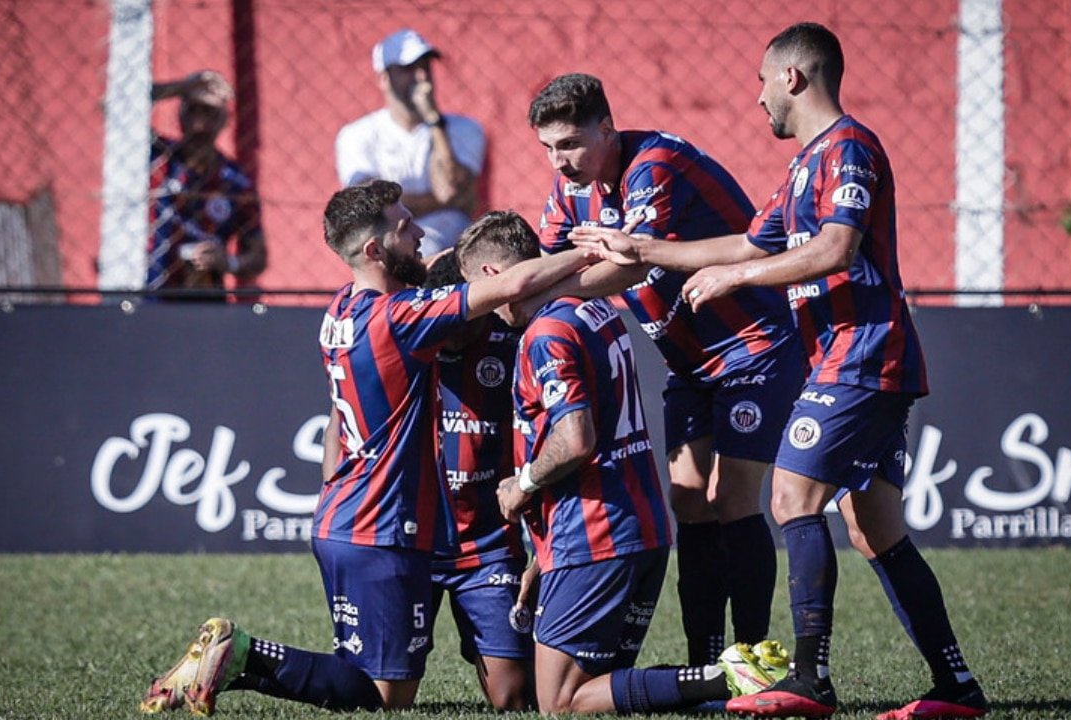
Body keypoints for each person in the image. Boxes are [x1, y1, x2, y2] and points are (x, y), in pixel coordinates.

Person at [572, 23, 989, 720]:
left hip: (861, 352)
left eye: (762, 80)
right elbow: (745, 238)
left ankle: (808, 680)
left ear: (792, 77)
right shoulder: (802, 168)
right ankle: (958, 687)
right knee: (875, 529)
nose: (757, 96)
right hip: (847, 357)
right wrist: (642, 246)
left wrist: (738, 276)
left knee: (791, 500)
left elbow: (835, 248)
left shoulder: (848, 147)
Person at [140, 181, 596, 715]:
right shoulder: (399, 319)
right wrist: (598, 249)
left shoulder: (343, 309)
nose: (420, 231)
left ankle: (236, 657)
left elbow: (338, 422)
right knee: (382, 696)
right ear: (376, 250)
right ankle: (240, 652)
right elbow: (508, 285)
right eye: (407, 226)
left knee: (386, 685)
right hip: (382, 526)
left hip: (345, 517)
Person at [456, 211, 789, 715]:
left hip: (593, 536)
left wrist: (520, 483)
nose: (481, 309)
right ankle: (724, 689)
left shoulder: (545, 333)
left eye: (471, 289)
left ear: (489, 278)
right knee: (605, 688)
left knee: (560, 703)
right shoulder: (594, 311)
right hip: (641, 531)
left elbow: (574, 440)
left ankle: (729, 678)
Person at [523, 73, 804, 666]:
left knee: (731, 498)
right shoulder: (567, 195)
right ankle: (706, 658)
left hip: (754, 347)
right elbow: (547, 268)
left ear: (607, 128)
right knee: (688, 501)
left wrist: (546, 294)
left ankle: (752, 656)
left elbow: (628, 266)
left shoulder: (657, 163)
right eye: (548, 147)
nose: (559, 161)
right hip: (690, 365)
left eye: (570, 143)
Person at [421, 253, 534, 710]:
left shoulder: (514, 341)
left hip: (489, 545)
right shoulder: (407, 333)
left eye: (460, 321)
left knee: (514, 698)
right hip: (413, 544)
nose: (449, 336)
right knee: (381, 696)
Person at [335, 28, 485, 257]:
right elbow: (369, 208)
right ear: (384, 78)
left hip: (451, 247)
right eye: (408, 69)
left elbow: (450, 188)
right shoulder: (357, 135)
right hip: (389, 243)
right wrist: (442, 201)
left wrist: (434, 121)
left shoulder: (463, 128)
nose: (422, 77)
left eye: (425, 67)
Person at [146, 70, 267, 300]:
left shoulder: (236, 182)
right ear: (179, 115)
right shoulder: (157, 157)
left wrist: (228, 262)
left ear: (224, 121)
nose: (200, 124)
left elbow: (258, 256)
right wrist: (181, 87)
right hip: (147, 292)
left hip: (205, 298)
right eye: (192, 110)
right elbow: (118, 107)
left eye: (210, 113)